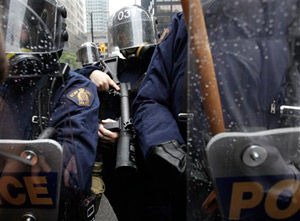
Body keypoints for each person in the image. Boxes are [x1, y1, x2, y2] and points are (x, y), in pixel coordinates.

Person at [132, 0, 300, 220]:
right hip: (193, 194)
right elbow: (150, 99)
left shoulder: (289, 21)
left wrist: (276, 172)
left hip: (274, 191)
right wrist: (174, 156)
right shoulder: (186, 22)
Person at [0, 0, 100, 220]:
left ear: (42, 33)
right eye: (6, 26)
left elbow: (72, 178)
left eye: (21, 27)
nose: (9, 35)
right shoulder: (4, 84)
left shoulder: (71, 88)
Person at [81, 5, 158, 221]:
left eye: (132, 30)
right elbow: (72, 78)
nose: (128, 37)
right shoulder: (111, 66)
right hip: (115, 165)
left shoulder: (158, 63)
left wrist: (130, 138)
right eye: (122, 32)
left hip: (149, 164)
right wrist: (92, 72)